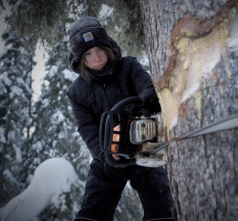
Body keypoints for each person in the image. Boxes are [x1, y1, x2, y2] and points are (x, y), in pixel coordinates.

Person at [66, 16, 174, 221]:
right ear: (80, 60)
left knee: (160, 204)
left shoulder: (129, 66)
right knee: (93, 208)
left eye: (99, 50)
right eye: (88, 54)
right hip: (108, 152)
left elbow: (146, 85)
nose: (96, 57)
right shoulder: (77, 92)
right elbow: (86, 127)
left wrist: (149, 94)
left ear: (108, 48)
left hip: (145, 142)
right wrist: (104, 156)